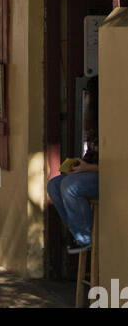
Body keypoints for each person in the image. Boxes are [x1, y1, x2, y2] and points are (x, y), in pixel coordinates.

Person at [47, 77, 99, 254]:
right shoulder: (95, 125)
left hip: (108, 175)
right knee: (53, 185)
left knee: (70, 187)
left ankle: (86, 238)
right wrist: (79, 164)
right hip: (92, 170)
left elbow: (118, 163)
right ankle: (79, 234)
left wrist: (87, 168)